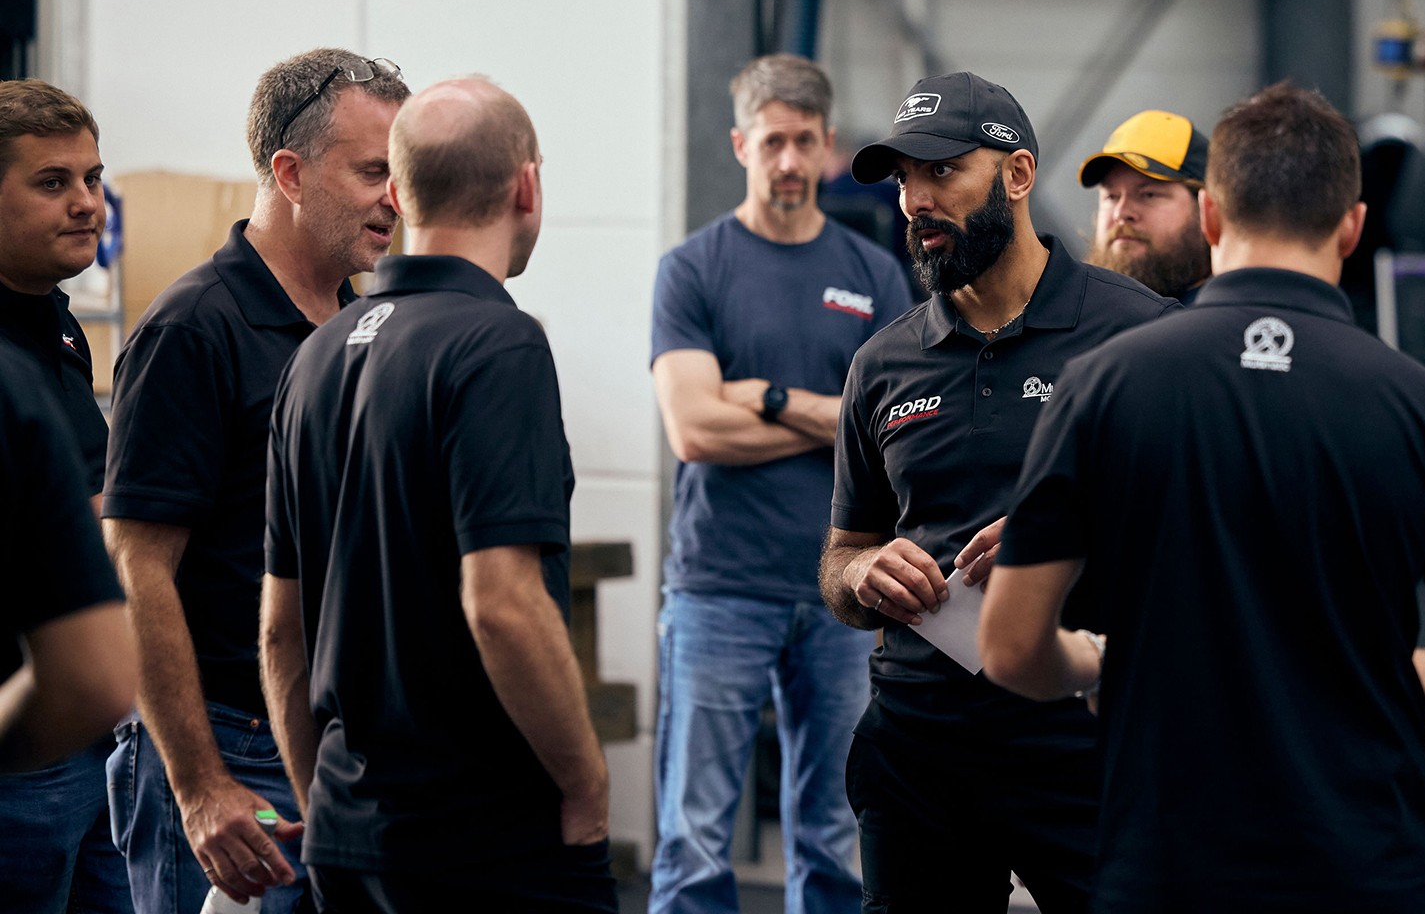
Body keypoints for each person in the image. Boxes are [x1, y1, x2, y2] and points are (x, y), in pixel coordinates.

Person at [981, 82, 1425, 914]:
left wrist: (1100, 663)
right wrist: (1401, 676)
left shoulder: (1102, 388)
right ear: (1352, 227)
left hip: (1166, 874)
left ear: (1211, 217)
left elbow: (1010, 647)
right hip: (1366, 874)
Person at [819, 71, 1175, 913]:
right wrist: (863, 577)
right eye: (905, 179)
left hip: (1084, 740)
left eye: (942, 172)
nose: (916, 200)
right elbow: (839, 557)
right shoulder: (883, 363)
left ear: (1017, 176)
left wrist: (1066, 532)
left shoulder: (1138, 335)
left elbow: (1203, 531)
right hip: (918, 752)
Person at [262, 77, 615, 912]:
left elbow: (282, 629)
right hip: (483, 842)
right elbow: (502, 604)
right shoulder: (499, 345)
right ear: (526, 187)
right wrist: (586, 781)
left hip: (349, 835)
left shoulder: (316, 356)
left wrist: (325, 811)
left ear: (398, 190)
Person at [102, 49, 408, 912]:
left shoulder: (364, 326)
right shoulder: (194, 330)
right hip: (228, 747)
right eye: (374, 171)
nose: (397, 197)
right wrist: (199, 786)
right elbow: (138, 567)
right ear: (290, 172)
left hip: (331, 742)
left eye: (405, 173)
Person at [648, 55, 910, 914]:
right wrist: (829, 417)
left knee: (834, 841)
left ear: (830, 146)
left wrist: (758, 396)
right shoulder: (692, 269)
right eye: (772, 142)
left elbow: (893, 430)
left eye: (805, 141)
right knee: (693, 840)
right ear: (741, 145)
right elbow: (692, 427)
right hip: (719, 586)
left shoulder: (874, 276)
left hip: (845, 588)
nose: (789, 161)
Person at [0, 80, 133, 912]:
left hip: (94, 739)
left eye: (92, 178)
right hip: (23, 750)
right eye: (53, 182)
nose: (87, 203)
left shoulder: (57, 325)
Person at [0, 354, 136, 776]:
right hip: (37, 755)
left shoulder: (56, 341)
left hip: (82, 740)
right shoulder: (12, 378)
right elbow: (93, 681)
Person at [1078, 109, 1212, 301]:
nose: (1121, 213)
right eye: (1111, 197)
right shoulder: (1078, 315)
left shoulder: (1235, 319)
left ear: (1205, 209)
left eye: (1148, 194)